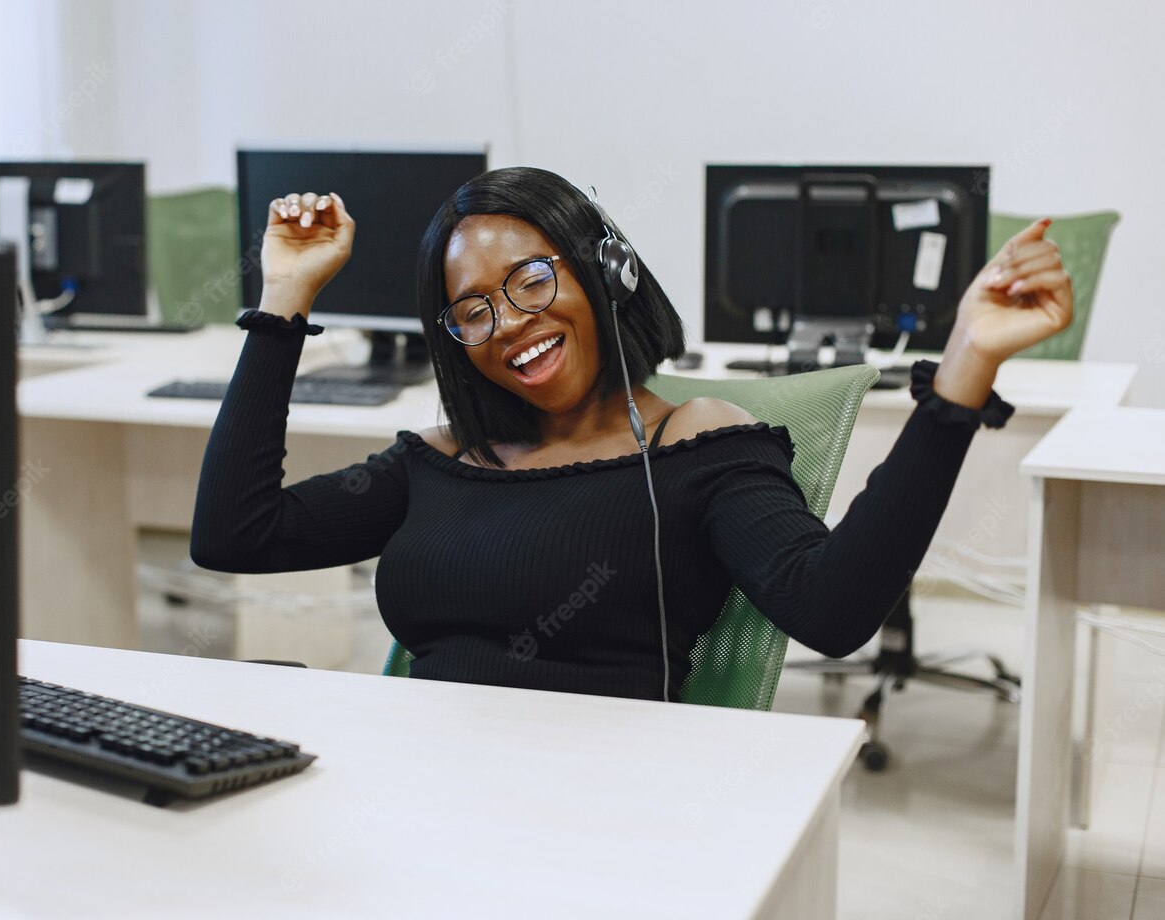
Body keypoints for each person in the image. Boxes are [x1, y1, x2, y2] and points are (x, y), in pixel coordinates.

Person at [190, 167, 1072, 703]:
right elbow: (235, 535)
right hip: (418, 785)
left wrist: (963, 371)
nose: (508, 323)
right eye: (472, 311)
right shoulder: (441, 458)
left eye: (532, 280)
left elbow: (834, 609)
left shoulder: (698, 447)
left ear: (604, 272)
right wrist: (284, 301)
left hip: (594, 806)